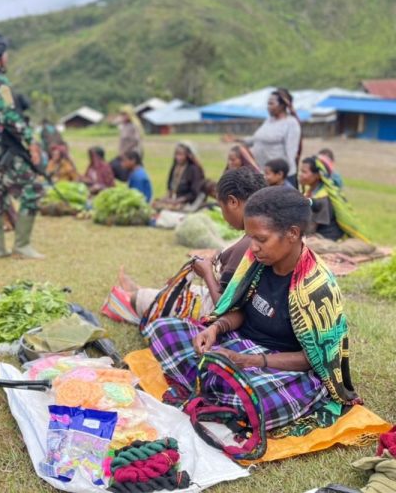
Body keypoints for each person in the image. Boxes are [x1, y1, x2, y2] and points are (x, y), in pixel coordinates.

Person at [144, 186, 359, 439]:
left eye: (261, 239)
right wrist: (215, 329)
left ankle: (212, 383)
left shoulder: (317, 287)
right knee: (162, 329)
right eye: (250, 237)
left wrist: (250, 362)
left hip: (279, 366)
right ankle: (217, 383)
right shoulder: (256, 262)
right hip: (237, 345)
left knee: (258, 400)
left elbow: (314, 360)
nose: (253, 247)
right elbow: (240, 311)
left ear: (292, 233)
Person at [118, 167, 266, 318]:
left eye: (221, 207)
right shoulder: (266, 233)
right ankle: (141, 291)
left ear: (233, 202)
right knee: (178, 290)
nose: (223, 214)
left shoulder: (249, 244)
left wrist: (207, 272)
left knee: (141, 300)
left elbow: (226, 309)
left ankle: (134, 297)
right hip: (230, 302)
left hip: (218, 310)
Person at [0, 31, 45, 259]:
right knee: (33, 188)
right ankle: (22, 245)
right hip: (3, 148)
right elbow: (9, 116)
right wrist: (31, 141)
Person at [299, 156, 374, 255]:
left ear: (317, 175)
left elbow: (311, 229)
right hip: (315, 235)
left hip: (325, 237)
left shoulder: (323, 198)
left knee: (303, 246)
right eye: (301, 171)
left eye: (304, 172)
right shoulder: (311, 192)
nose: (300, 175)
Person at [229, 89, 302, 187]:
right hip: (264, 174)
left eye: (271, 103)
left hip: (279, 177)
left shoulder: (291, 123)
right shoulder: (269, 121)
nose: (268, 107)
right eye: (268, 104)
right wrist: (237, 139)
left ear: (282, 105)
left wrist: (282, 176)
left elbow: (291, 153)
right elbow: (256, 139)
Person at [152, 142, 205, 210]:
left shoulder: (194, 169)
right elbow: (170, 189)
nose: (178, 157)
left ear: (188, 155)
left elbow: (193, 194)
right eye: (176, 154)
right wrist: (164, 199)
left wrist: (176, 201)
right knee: (155, 204)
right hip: (174, 199)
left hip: (189, 203)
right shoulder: (175, 167)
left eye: (181, 155)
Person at [111, 106, 143, 182]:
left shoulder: (134, 126)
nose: (123, 117)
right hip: (123, 153)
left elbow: (135, 141)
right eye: (122, 115)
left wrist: (125, 152)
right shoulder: (124, 126)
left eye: (125, 115)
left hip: (131, 153)